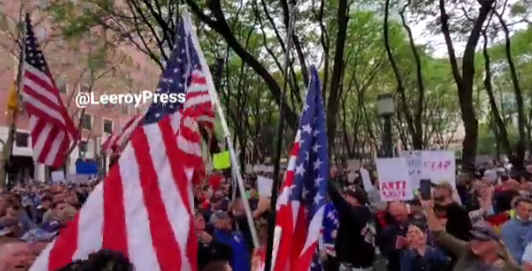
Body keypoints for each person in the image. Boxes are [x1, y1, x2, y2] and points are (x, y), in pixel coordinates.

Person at [421, 197, 520, 271]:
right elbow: (440, 234)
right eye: (473, 238)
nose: (474, 242)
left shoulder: (506, 266)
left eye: (480, 239)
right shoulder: (466, 249)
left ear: (494, 243)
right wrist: (428, 209)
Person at [328, 183, 375, 271]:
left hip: (356, 266)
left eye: (347, 195)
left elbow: (338, 200)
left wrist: (326, 181)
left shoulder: (355, 212)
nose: (345, 198)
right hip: (363, 264)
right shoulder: (367, 213)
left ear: (355, 199)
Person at [377, 201, 410, 271]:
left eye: (399, 207)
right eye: (393, 209)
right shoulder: (387, 231)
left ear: (406, 209)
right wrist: (398, 247)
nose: (396, 211)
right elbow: (384, 251)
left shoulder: (417, 225)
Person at [500, 197, 532, 264]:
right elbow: (517, 256)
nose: (527, 213)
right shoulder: (508, 228)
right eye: (523, 209)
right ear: (516, 209)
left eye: (530, 210)